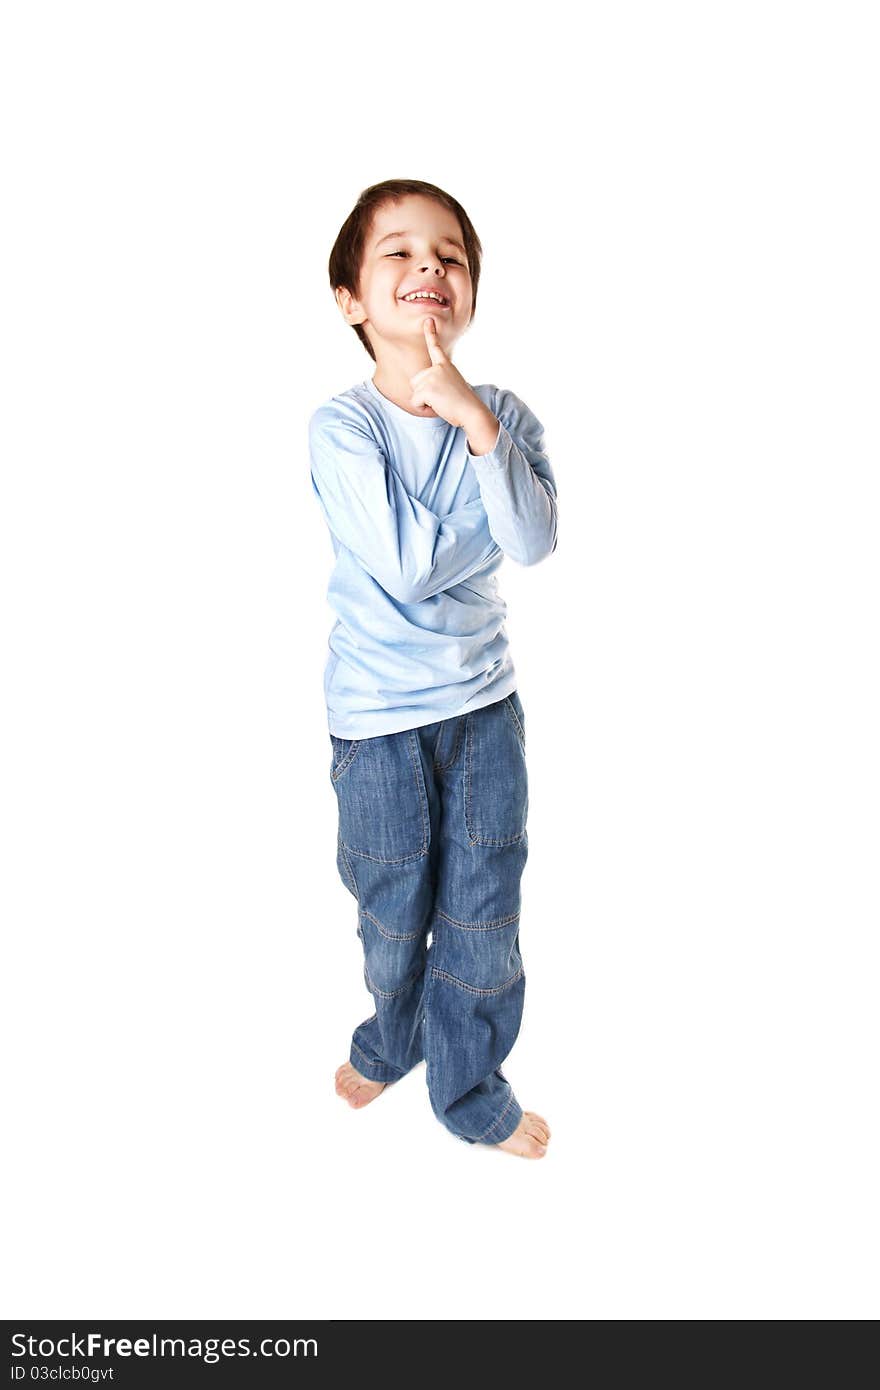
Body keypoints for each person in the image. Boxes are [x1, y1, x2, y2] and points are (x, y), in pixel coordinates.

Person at [308, 179, 558, 1158]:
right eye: (400, 254)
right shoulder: (343, 428)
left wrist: (475, 422)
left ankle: (469, 1086)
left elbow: (533, 541)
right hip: (376, 721)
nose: (429, 269)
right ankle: (392, 1033)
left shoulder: (503, 415)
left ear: (471, 290)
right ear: (352, 301)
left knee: (483, 910)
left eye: (449, 255)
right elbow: (407, 569)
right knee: (390, 902)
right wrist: (482, 513)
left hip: (484, 709)